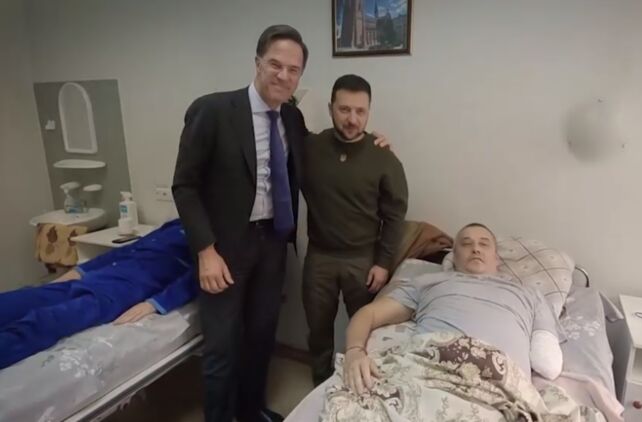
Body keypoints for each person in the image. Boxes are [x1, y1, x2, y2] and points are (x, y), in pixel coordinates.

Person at [172, 26, 390, 422]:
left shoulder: (291, 116)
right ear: (257, 62)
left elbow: (323, 150)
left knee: (261, 339)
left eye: (293, 69)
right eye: (275, 64)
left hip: (272, 245)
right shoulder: (214, 110)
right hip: (224, 249)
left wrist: (371, 142)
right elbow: (184, 186)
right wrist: (205, 250)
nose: (283, 75)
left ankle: (250, 412)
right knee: (222, 347)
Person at [341, 223, 563, 394]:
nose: (475, 249)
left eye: (484, 244)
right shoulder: (428, 283)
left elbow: (547, 360)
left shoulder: (528, 294)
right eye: (466, 244)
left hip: (501, 385)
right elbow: (369, 314)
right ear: (453, 257)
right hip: (429, 376)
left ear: (497, 258)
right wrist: (354, 352)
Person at [301, 74, 408, 385]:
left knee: (366, 334)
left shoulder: (383, 157)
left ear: (369, 111)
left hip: (363, 260)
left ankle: (361, 390)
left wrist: (384, 263)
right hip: (319, 257)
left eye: (360, 111)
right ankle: (320, 386)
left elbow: (395, 215)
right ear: (330, 108)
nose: (352, 119)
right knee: (318, 331)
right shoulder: (310, 147)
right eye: (344, 109)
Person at [0, 219, 196, 370]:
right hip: (98, 277)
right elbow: (128, 249)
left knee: (46, 321)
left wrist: (155, 303)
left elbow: (197, 276)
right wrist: (79, 271)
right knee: (19, 300)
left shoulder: (209, 234)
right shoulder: (176, 224)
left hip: (120, 293)